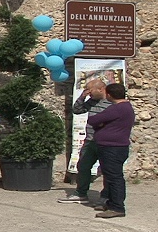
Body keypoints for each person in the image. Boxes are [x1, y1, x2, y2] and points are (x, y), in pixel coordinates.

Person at [58, 79, 110, 204]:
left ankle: (106, 195)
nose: (88, 93)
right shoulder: (92, 101)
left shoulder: (111, 102)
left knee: (107, 169)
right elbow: (77, 110)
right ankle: (81, 193)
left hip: (105, 142)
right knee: (83, 166)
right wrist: (82, 97)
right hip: (90, 140)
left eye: (90, 90)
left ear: (101, 89)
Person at [87, 83, 135, 219]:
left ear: (109, 94)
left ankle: (117, 207)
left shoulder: (117, 108)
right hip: (115, 147)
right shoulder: (125, 107)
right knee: (111, 177)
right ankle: (111, 202)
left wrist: (102, 124)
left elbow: (94, 119)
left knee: (114, 178)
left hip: (112, 148)